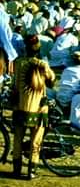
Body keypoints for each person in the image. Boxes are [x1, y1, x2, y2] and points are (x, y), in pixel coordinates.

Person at [10, 34, 55, 179]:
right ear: (38, 49)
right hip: (38, 109)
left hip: (20, 107)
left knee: (17, 139)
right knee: (36, 141)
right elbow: (52, 81)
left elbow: (14, 84)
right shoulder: (42, 64)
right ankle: (31, 171)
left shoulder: (18, 63)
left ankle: (16, 170)